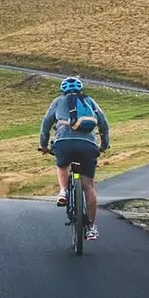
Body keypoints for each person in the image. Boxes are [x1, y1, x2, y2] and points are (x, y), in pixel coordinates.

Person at [38, 76, 110, 241]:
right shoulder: (89, 102)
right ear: (81, 89)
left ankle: (63, 191)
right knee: (88, 186)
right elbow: (104, 124)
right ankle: (91, 228)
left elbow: (46, 124)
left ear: (63, 90)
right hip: (88, 145)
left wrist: (43, 145)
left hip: (64, 144)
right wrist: (104, 145)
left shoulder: (58, 102)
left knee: (62, 165)